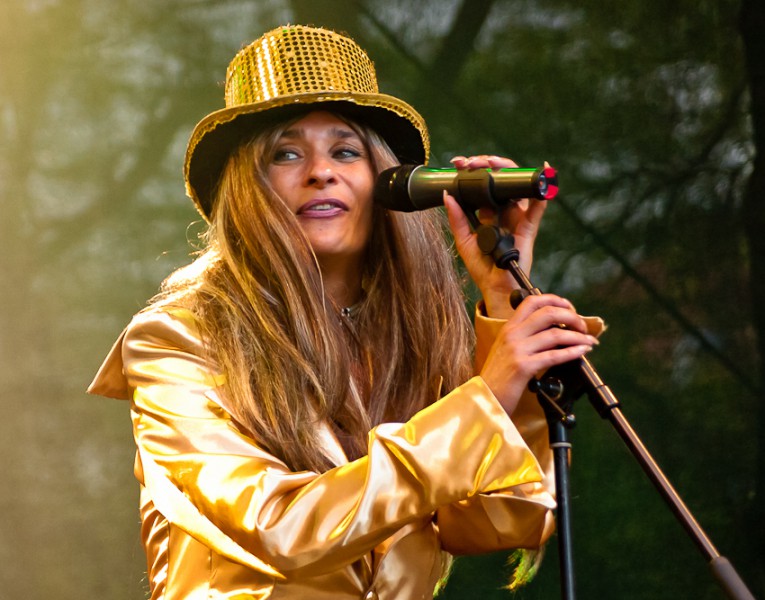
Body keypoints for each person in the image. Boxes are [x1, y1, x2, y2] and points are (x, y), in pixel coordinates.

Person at [88, 24, 603, 599]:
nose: (321, 171)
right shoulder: (177, 340)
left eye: (346, 150)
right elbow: (277, 529)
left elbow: (501, 521)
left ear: (387, 185)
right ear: (245, 188)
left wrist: (503, 302)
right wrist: (486, 399)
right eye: (286, 152)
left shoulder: (418, 339)